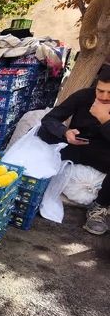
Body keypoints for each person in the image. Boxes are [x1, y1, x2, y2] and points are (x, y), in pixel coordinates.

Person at [38, 66, 110, 235]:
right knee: (42, 132)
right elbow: (50, 119)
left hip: (104, 152)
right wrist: (65, 133)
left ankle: (99, 208)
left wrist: (105, 120)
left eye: (109, 93)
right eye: (100, 91)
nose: (104, 97)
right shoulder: (84, 96)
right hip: (76, 144)